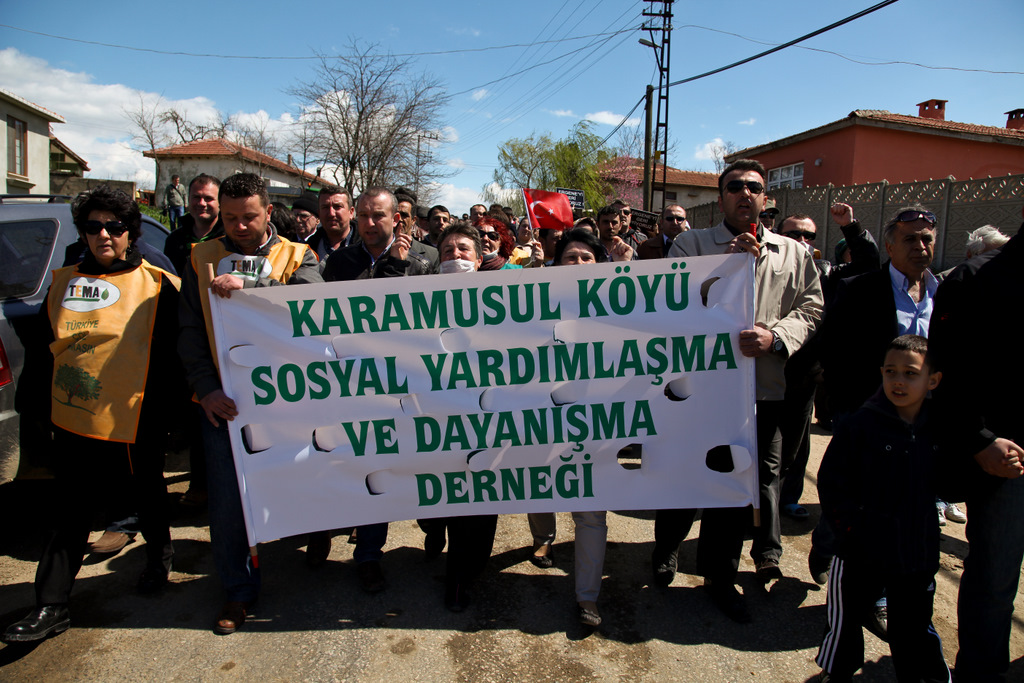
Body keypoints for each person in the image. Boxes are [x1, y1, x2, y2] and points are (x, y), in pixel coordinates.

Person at [3, 186, 180, 643]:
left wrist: (170, 416)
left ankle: (158, 561)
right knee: (70, 512)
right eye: (94, 226)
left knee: (149, 495)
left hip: (134, 419)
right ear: (83, 232)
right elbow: (44, 356)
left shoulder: (159, 285)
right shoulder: (61, 283)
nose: (105, 234)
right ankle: (51, 604)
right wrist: (36, 412)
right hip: (73, 419)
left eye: (115, 227)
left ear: (130, 233)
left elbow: (173, 356)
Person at [652, 159, 823, 623]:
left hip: (762, 391)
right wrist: (730, 263)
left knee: (736, 485)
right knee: (686, 474)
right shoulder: (692, 243)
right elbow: (675, 302)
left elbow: (811, 306)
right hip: (700, 391)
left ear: (766, 199)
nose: (745, 193)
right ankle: (666, 549)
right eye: (735, 187)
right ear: (722, 196)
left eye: (754, 187)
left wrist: (777, 337)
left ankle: (719, 577)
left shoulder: (794, 253)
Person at [177, 173, 322, 635]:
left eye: (250, 217)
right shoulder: (201, 258)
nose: (240, 226)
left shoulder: (300, 254)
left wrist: (255, 293)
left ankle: (315, 549)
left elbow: (316, 307)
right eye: (231, 217)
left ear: (268, 213)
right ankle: (238, 591)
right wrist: (205, 389)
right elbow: (188, 332)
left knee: (309, 481)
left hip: (290, 404)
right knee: (227, 504)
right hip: (226, 405)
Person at [815, 335, 951, 682]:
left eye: (910, 373)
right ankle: (838, 672)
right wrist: (850, 530)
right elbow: (832, 484)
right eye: (891, 372)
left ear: (932, 380)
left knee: (914, 628)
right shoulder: (861, 425)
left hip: (916, 555)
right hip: (860, 553)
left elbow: (950, 482)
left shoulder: (940, 428)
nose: (898, 381)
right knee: (845, 624)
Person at [320, 187, 434, 592]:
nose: (370, 223)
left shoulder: (424, 262)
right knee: (364, 465)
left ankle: (427, 529)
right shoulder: (339, 263)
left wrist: (398, 268)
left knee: (406, 466)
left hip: (408, 385)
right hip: (354, 387)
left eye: (378, 216)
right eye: (364, 215)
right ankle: (363, 550)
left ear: (395, 219)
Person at [524, 227, 633, 629]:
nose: (579, 264)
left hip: (593, 420)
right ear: (557, 264)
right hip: (539, 414)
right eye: (571, 257)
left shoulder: (617, 305)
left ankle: (587, 596)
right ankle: (543, 538)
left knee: (590, 511)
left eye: (588, 258)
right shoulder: (535, 301)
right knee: (537, 485)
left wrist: (629, 271)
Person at [930, 224, 1024, 681]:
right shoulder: (973, 280)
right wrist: (979, 440)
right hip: (1007, 463)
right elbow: (945, 374)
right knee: (994, 578)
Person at [776, 206, 880, 522]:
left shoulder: (829, 274)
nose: (803, 240)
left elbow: (868, 263)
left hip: (803, 373)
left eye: (809, 235)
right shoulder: (757, 268)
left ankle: (786, 500)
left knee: (796, 442)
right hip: (756, 370)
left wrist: (850, 226)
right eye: (795, 234)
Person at [163, 174, 223, 278]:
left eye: (208, 198)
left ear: (220, 202)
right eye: (196, 197)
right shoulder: (174, 240)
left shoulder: (232, 239)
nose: (201, 203)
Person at [308, 187, 358, 262]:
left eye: (337, 207)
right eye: (325, 207)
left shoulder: (368, 246)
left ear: (351, 212)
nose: (331, 213)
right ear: (319, 213)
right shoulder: (309, 249)